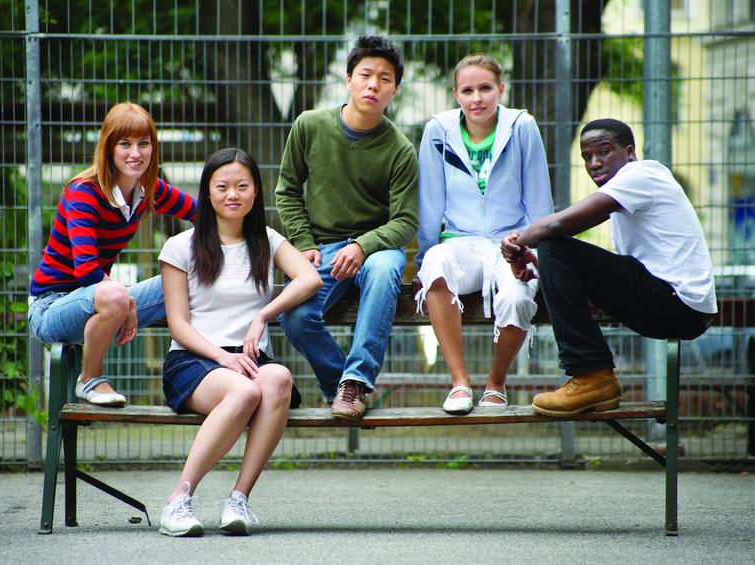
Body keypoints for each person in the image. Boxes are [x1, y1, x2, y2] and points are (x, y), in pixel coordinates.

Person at [501, 118, 717, 416]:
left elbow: (561, 223)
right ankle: (593, 377)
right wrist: (544, 268)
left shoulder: (642, 174)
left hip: (679, 303)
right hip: (671, 304)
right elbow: (607, 269)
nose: (594, 163)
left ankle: (591, 375)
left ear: (629, 152)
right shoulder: (624, 200)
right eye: (587, 157)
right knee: (554, 250)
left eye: (604, 152)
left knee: (554, 242)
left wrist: (517, 242)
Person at [157, 148, 321, 537]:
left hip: (249, 359)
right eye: (223, 186)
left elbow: (309, 279)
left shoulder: (267, 239)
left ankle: (238, 500)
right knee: (246, 392)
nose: (233, 194)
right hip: (193, 360)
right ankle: (178, 500)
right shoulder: (181, 246)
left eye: (242, 186)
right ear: (208, 193)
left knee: (279, 377)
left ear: (255, 192)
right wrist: (221, 357)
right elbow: (178, 325)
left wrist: (263, 315)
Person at [275, 35, 419, 419]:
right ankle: (339, 383)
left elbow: (405, 220)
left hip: (375, 247)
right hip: (322, 246)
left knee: (387, 268)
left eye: (384, 78)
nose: (374, 84)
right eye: (366, 74)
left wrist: (362, 246)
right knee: (296, 317)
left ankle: (356, 383)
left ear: (395, 89)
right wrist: (303, 242)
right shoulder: (309, 125)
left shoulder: (400, 149)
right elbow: (287, 190)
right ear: (349, 78)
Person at [28, 102, 197, 407]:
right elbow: (86, 271)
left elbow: (201, 214)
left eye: (143, 144)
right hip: (50, 309)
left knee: (183, 280)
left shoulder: (149, 190)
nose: (136, 153)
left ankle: (209, 367)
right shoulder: (84, 192)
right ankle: (90, 379)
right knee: (116, 295)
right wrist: (126, 299)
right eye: (125, 144)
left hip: (103, 304)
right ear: (109, 148)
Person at [413, 54, 553, 415]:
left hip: (513, 244)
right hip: (461, 242)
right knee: (436, 263)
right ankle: (459, 383)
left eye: (485, 88)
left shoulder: (522, 126)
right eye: (468, 90)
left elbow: (539, 200)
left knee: (519, 299)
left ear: (500, 89)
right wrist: (422, 265)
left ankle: (495, 383)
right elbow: (430, 203)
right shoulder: (437, 131)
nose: (477, 98)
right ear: (456, 95)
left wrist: (536, 254)